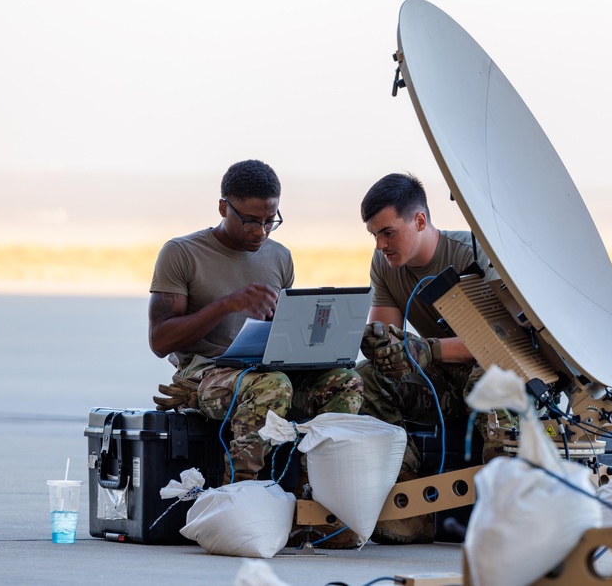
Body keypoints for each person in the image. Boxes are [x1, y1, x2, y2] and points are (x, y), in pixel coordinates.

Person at [148, 159, 364, 485]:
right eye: (250, 222)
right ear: (223, 207)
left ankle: (315, 487)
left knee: (347, 380)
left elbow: (285, 333)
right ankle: (239, 489)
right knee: (273, 386)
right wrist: (227, 305)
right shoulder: (182, 253)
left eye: (270, 221)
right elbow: (160, 341)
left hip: (267, 371)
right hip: (204, 374)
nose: (260, 232)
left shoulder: (280, 257)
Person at [357, 172, 514, 544]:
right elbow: (388, 338)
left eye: (388, 232)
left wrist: (428, 349)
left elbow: (503, 344)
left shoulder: (470, 255)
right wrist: (382, 347)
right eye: (374, 235)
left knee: (492, 379)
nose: (380, 244)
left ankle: (506, 514)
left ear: (420, 221)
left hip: (488, 376)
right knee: (366, 379)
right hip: (439, 383)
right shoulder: (385, 264)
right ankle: (408, 508)